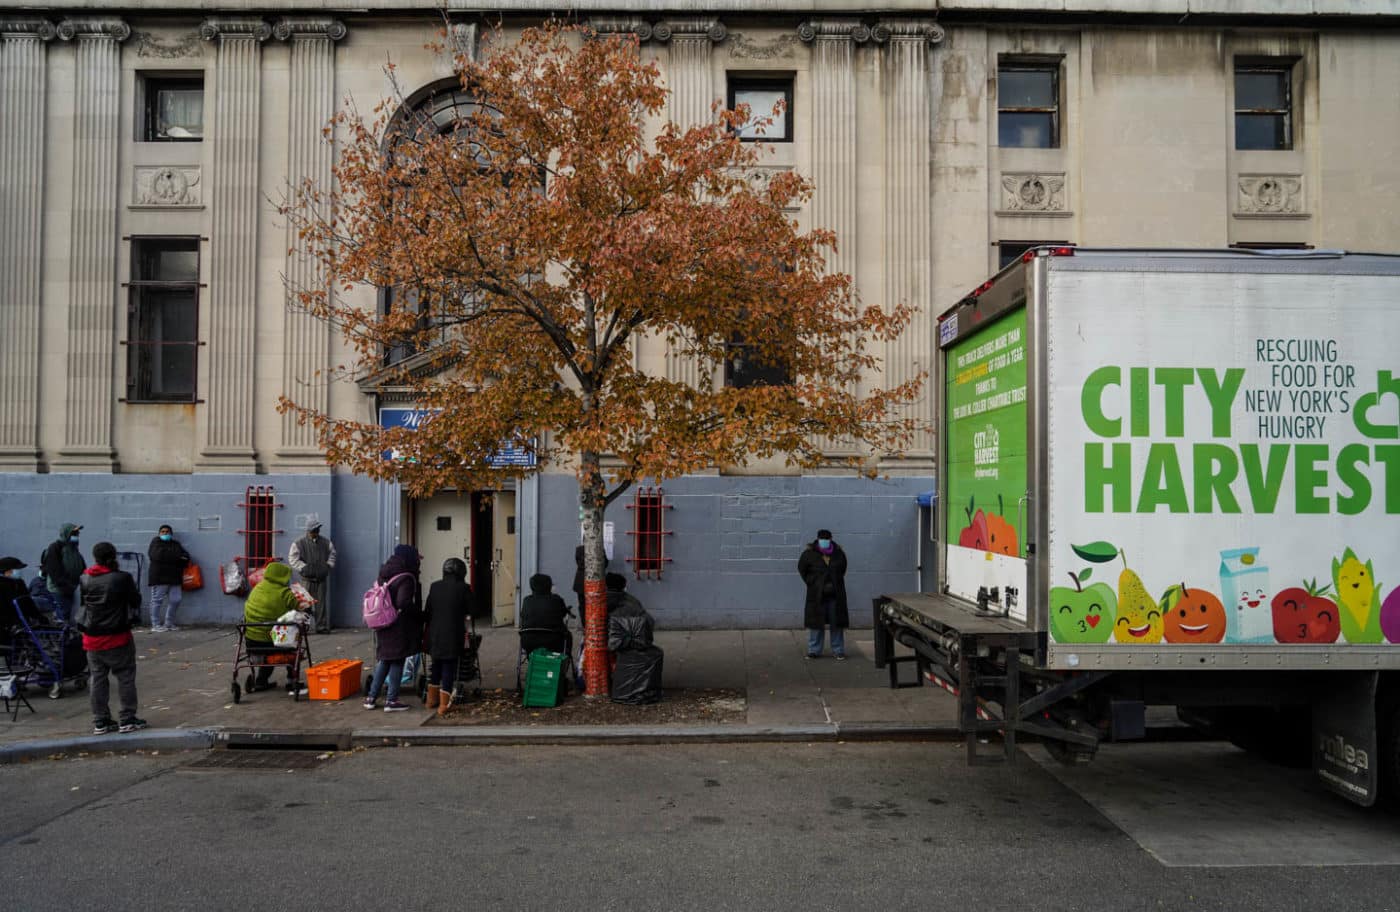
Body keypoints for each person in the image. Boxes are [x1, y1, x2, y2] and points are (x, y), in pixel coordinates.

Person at [78, 542, 146, 735]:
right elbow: (135, 600)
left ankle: (100, 720)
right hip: (117, 635)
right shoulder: (122, 578)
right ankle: (127, 717)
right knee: (125, 677)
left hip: (92, 637)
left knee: (97, 678)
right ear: (113, 556)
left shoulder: (85, 578)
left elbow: (84, 604)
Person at [364, 544, 422, 712]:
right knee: (397, 659)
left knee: (385, 659)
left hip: (382, 621)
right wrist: (419, 614)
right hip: (397, 625)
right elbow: (403, 602)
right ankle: (392, 700)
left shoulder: (385, 573)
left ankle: (371, 698)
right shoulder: (406, 577)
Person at [242, 561, 308, 695]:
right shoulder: (285, 593)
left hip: (252, 640)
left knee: (267, 647)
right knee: (293, 644)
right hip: (276, 641)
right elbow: (301, 606)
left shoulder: (257, 588)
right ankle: (292, 681)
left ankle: (261, 681)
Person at [423, 557, 476, 716]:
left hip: (435, 633)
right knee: (449, 667)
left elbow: (428, 611)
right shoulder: (463, 588)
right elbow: (473, 610)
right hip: (453, 633)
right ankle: (444, 705)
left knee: (436, 664)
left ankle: (431, 700)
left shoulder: (435, 586)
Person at [798, 528, 849, 660]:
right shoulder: (809, 554)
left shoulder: (838, 553)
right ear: (818, 539)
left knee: (836, 622)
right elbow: (802, 569)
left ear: (830, 539)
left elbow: (842, 569)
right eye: (822, 539)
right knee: (816, 622)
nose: (824, 541)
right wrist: (812, 582)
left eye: (826, 539)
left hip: (835, 594)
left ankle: (838, 650)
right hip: (817, 594)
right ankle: (814, 650)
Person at [288, 514, 336, 634]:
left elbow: (332, 555)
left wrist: (328, 566)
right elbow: (293, 559)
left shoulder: (326, 542)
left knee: (321, 605)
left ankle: (321, 627)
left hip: (321, 578)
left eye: (317, 530)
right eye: (314, 530)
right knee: (305, 604)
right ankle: (304, 627)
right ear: (308, 531)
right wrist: (304, 568)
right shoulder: (299, 543)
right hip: (306, 579)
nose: (316, 532)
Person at [146, 523, 191, 632]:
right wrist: (177, 557)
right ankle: (155, 625)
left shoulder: (176, 544)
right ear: (159, 533)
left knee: (176, 600)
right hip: (159, 577)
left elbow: (186, 557)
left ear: (171, 533)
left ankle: (169, 623)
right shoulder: (156, 542)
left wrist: (172, 557)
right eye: (163, 532)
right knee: (157, 601)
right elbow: (157, 556)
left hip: (175, 577)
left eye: (167, 532)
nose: (165, 533)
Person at [520, 572, 573, 660]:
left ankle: (533, 660)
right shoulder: (556, 599)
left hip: (528, 641)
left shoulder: (526, 600)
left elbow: (523, 615)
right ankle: (564, 661)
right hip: (554, 641)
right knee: (568, 636)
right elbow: (563, 614)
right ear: (549, 586)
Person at [40, 522, 85, 623]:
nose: (76, 536)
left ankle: (66, 630)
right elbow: (54, 570)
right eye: (74, 533)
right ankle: (61, 632)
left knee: (70, 613)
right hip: (59, 589)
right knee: (63, 614)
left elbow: (81, 565)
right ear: (66, 533)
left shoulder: (73, 548)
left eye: (77, 533)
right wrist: (66, 586)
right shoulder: (55, 547)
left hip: (72, 588)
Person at [573, 544, 608, 633]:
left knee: (583, 605)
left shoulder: (580, 549)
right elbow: (605, 564)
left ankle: (586, 626)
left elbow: (579, 564)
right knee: (595, 604)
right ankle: (594, 625)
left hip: (581, 582)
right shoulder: (599, 549)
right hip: (594, 581)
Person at [1, 557, 29, 648]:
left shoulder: (19, 583)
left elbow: (28, 601)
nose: (20, 571)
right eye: (17, 569)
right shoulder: (2, 585)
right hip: (7, 625)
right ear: (7, 571)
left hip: (21, 622)